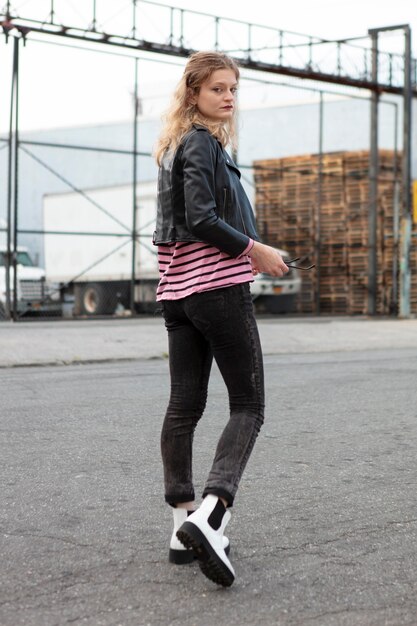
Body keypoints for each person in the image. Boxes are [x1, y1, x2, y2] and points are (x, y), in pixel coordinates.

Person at [153, 50, 288, 588]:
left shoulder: (172, 147)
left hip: (177, 294)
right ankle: (212, 516)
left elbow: (177, 225)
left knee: (184, 404)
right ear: (193, 94)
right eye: (217, 89)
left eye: (233, 88)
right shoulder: (202, 143)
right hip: (216, 289)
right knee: (249, 405)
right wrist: (255, 250)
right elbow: (203, 217)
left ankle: (181, 524)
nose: (229, 97)